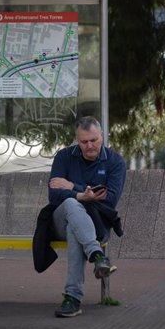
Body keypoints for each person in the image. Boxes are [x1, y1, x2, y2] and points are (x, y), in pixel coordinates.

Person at [45, 116, 126, 318]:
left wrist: (72, 187)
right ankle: (97, 255)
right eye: (84, 142)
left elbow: (110, 201)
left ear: (102, 137)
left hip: (94, 223)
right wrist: (82, 196)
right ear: (77, 140)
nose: (90, 145)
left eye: (94, 140)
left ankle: (72, 298)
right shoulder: (64, 157)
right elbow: (53, 195)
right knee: (72, 204)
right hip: (59, 220)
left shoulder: (115, 162)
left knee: (76, 228)